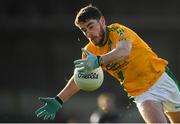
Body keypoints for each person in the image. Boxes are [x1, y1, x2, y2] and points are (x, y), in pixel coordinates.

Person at [35, 5, 180, 123]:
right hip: (142, 94)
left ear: (102, 21)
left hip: (162, 79)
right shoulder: (89, 51)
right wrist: (59, 100)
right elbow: (80, 79)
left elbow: (124, 51)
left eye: (91, 26)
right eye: (84, 30)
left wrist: (98, 61)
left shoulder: (118, 30)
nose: (89, 34)